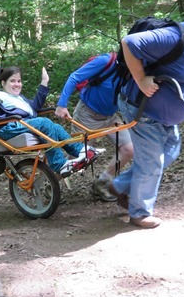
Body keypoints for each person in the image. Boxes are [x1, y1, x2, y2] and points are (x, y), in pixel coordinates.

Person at [110, 5, 184, 229]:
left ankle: (122, 186)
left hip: (163, 117)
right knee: (152, 161)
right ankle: (140, 213)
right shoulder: (172, 37)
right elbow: (129, 43)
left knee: (171, 151)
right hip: (143, 110)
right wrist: (142, 80)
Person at [0, 64, 101, 175]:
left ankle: (81, 151)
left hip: (23, 124)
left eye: (19, 81)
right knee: (44, 122)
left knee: (57, 128)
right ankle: (59, 164)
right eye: (12, 81)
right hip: (7, 128)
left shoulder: (19, 98)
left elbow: (35, 107)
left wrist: (44, 82)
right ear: (3, 82)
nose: (17, 84)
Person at [55, 53, 133, 202]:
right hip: (87, 116)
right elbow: (74, 77)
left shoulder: (135, 70)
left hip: (111, 117)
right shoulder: (106, 61)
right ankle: (48, 182)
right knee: (76, 158)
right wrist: (62, 104)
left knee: (128, 149)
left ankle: (102, 182)